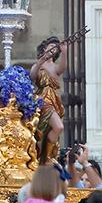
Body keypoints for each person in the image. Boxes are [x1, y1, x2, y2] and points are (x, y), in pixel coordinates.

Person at [30, 36, 68, 164]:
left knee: (54, 128)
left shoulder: (54, 67)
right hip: (42, 100)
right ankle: (45, 156)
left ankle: (46, 155)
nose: (53, 49)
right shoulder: (38, 64)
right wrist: (40, 62)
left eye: (55, 48)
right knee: (56, 127)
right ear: (45, 48)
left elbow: (62, 69)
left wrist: (64, 53)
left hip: (53, 100)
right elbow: (32, 76)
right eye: (51, 47)